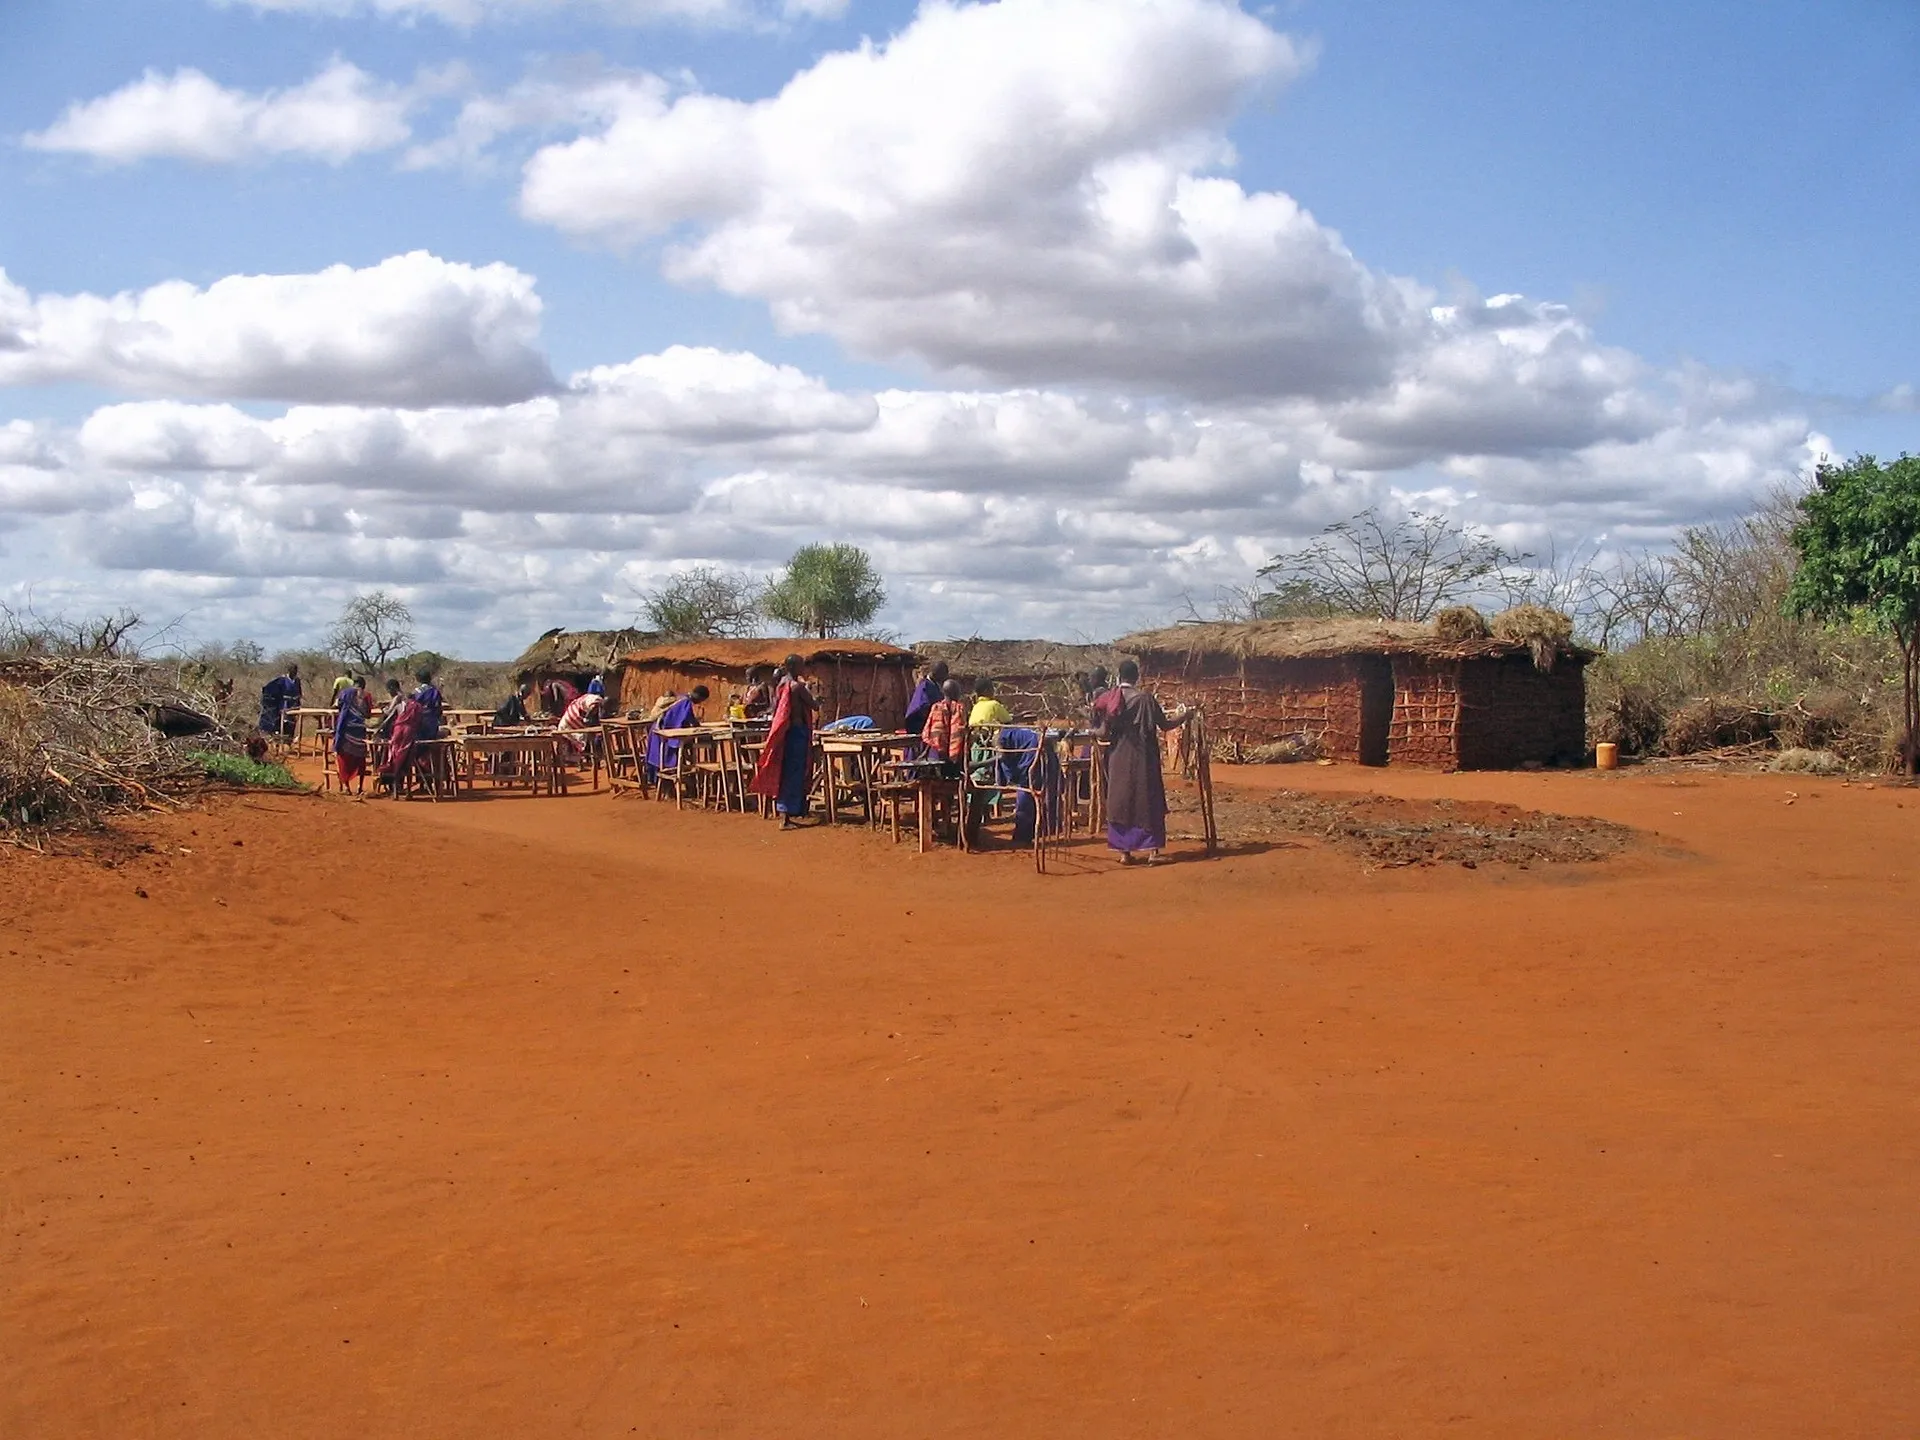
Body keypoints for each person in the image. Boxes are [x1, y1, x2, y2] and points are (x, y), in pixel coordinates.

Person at [1093, 659, 1189, 865]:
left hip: (1118, 758)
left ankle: (1124, 853)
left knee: (1121, 800)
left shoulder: (1110, 700)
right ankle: (1153, 852)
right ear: (1136, 677)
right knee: (1148, 799)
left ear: (1118, 677)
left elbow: (1102, 732)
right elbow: (1165, 725)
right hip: (1145, 759)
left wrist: (1088, 730)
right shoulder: (1146, 699)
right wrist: (1184, 716)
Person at [749, 655, 818, 828]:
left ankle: (791, 811)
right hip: (797, 733)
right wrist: (816, 696)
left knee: (785, 770)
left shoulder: (780, 685)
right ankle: (786, 816)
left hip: (785, 733)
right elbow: (814, 705)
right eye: (802, 665)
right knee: (794, 773)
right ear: (794, 667)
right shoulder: (797, 687)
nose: (804, 669)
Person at [644, 685, 710, 778]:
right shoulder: (685, 702)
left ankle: (662, 781)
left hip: (657, 730)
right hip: (663, 732)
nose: (699, 702)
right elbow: (680, 719)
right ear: (699, 696)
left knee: (658, 757)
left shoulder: (681, 698)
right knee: (665, 758)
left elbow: (688, 717)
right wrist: (697, 726)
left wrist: (695, 724)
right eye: (701, 699)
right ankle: (673, 780)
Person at [919, 678, 968, 776]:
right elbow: (961, 732)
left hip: (936, 753)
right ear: (955, 693)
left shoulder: (936, 707)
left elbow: (929, 731)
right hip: (955, 758)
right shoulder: (959, 708)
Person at [332, 677, 370, 794]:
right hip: (360, 731)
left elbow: (337, 705)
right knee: (360, 759)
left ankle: (347, 788)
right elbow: (368, 714)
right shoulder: (367, 696)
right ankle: (360, 787)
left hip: (346, 729)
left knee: (343, 758)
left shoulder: (345, 693)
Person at [903, 660, 950, 738]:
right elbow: (922, 708)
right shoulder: (924, 686)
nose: (945, 677)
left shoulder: (934, 686)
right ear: (937, 673)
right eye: (943, 674)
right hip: (920, 727)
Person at [258, 662, 302, 740]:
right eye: (293, 670)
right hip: (284, 704)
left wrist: (298, 702)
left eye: (296, 670)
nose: (294, 672)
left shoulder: (297, 681)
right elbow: (269, 690)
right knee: (283, 723)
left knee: (292, 723)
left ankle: (289, 740)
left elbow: (299, 692)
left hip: (294, 705)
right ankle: (280, 739)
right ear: (288, 671)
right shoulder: (281, 680)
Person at [410, 667, 444, 741]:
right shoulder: (435, 691)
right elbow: (439, 708)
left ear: (418, 679)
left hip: (419, 724)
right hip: (433, 724)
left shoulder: (417, 692)